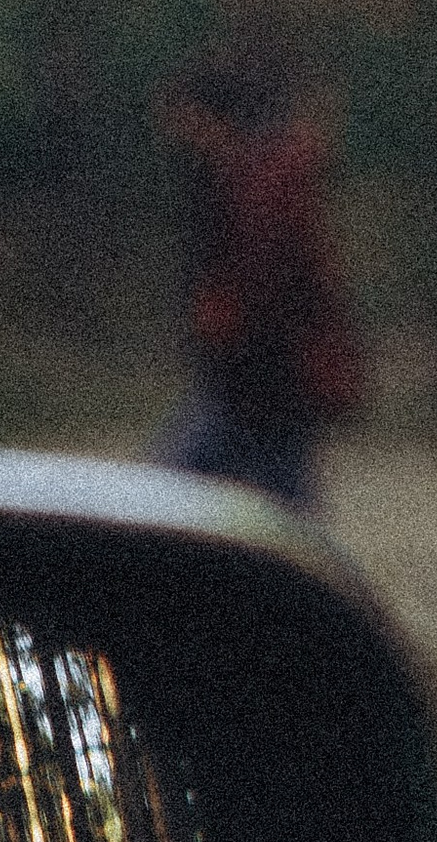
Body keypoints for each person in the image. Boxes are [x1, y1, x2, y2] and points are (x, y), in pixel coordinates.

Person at [156, 52, 365, 511]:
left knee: (171, 492)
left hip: (258, 372)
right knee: (281, 495)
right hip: (268, 375)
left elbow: (272, 279)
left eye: (183, 117)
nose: (174, 131)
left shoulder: (263, 183)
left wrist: (223, 324)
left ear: (211, 120)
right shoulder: (254, 179)